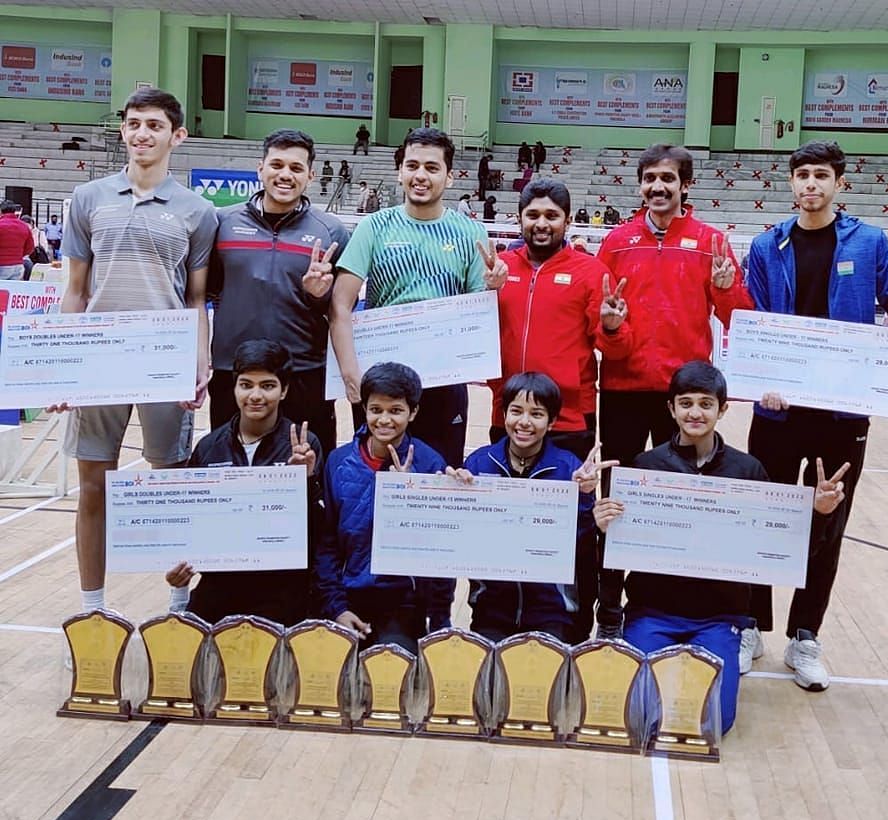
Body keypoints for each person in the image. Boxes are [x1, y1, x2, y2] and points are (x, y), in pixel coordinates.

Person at [741, 140, 888, 690]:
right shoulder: (765, 244)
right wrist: (757, 384)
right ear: (791, 184)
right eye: (802, 175)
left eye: (821, 175)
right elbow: (751, 323)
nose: (810, 184)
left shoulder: (869, 244)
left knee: (827, 524)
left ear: (839, 183)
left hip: (842, 416)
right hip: (778, 413)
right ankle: (749, 624)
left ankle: (805, 636)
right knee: (762, 518)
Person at [593, 361, 849, 733]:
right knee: (640, 714)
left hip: (718, 619)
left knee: (714, 722)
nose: (695, 412)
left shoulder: (748, 472)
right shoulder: (644, 468)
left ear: (723, 409)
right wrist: (603, 531)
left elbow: (784, 554)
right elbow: (616, 554)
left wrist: (819, 514)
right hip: (652, 614)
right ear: (671, 409)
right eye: (685, 403)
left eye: (705, 404)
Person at [55, 87, 217, 612]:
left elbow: (195, 298)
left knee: (170, 487)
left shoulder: (198, 211)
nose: (142, 134)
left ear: (177, 136)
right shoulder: (88, 199)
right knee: (93, 486)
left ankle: (176, 606)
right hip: (100, 359)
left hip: (162, 363)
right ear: (123, 131)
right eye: (134, 124)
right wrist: (65, 367)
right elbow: (75, 291)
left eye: (154, 125)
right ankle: (92, 608)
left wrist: (199, 364)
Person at [594, 143, 752, 638]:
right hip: (621, 389)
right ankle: (609, 611)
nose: (658, 187)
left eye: (667, 178)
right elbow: (602, 324)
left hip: (685, 402)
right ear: (640, 185)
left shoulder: (711, 242)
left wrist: (725, 288)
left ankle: (677, 605)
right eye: (649, 179)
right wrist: (615, 330)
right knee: (615, 503)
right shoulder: (617, 242)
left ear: (686, 185)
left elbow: (737, 318)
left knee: (682, 504)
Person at [329, 128, 508, 468]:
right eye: (412, 166)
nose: (420, 176)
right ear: (400, 172)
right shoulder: (374, 227)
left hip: (445, 382)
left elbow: (476, 313)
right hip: (381, 381)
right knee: (376, 480)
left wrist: (492, 288)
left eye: (431, 167)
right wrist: (352, 377)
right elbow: (341, 304)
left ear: (449, 177)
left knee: (439, 478)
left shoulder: (470, 232)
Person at [206, 128, 350, 461]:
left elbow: (341, 308)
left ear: (311, 176)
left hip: (304, 372)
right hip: (234, 372)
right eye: (277, 165)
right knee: (229, 470)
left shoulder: (331, 232)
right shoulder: (221, 224)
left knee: (307, 470)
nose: (285, 175)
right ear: (261, 169)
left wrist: (317, 295)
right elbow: (204, 293)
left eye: (296, 168)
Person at [164, 340, 323, 625]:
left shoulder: (303, 445)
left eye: (268, 385)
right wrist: (178, 576)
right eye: (246, 385)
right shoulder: (209, 447)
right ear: (235, 388)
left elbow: (318, 532)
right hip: (222, 583)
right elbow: (190, 524)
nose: (255, 395)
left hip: (282, 585)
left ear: (284, 390)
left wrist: (306, 481)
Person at [448, 372, 600, 643]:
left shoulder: (568, 468)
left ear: (552, 421)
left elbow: (582, 543)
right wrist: (457, 496)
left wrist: (585, 497)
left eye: (537, 414)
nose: (524, 422)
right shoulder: (479, 464)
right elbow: (461, 539)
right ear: (503, 414)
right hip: (491, 608)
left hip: (551, 611)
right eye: (516, 411)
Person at [313, 362, 451, 654]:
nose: (384, 420)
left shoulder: (430, 465)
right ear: (364, 409)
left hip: (404, 601)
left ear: (413, 412)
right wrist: (336, 608)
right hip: (348, 598)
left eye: (396, 411)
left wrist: (440, 622)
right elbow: (327, 545)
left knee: (391, 673)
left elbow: (441, 551)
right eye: (376, 409)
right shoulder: (338, 462)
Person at [492, 179, 630, 461]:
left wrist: (611, 327)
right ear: (520, 219)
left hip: (569, 417)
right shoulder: (499, 269)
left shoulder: (591, 272)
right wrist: (486, 293)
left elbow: (618, 349)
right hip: (509, 412)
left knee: (571, 503)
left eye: (551, 216)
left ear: (567, 222)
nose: (541, 224)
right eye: (532, 215)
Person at [0, 200, 32, 280]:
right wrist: (18, 255)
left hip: (2, 264)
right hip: (18, 265)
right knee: (13, 290)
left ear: (1, 211)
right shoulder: (24, 226)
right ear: (14, 211)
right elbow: (30, 247)